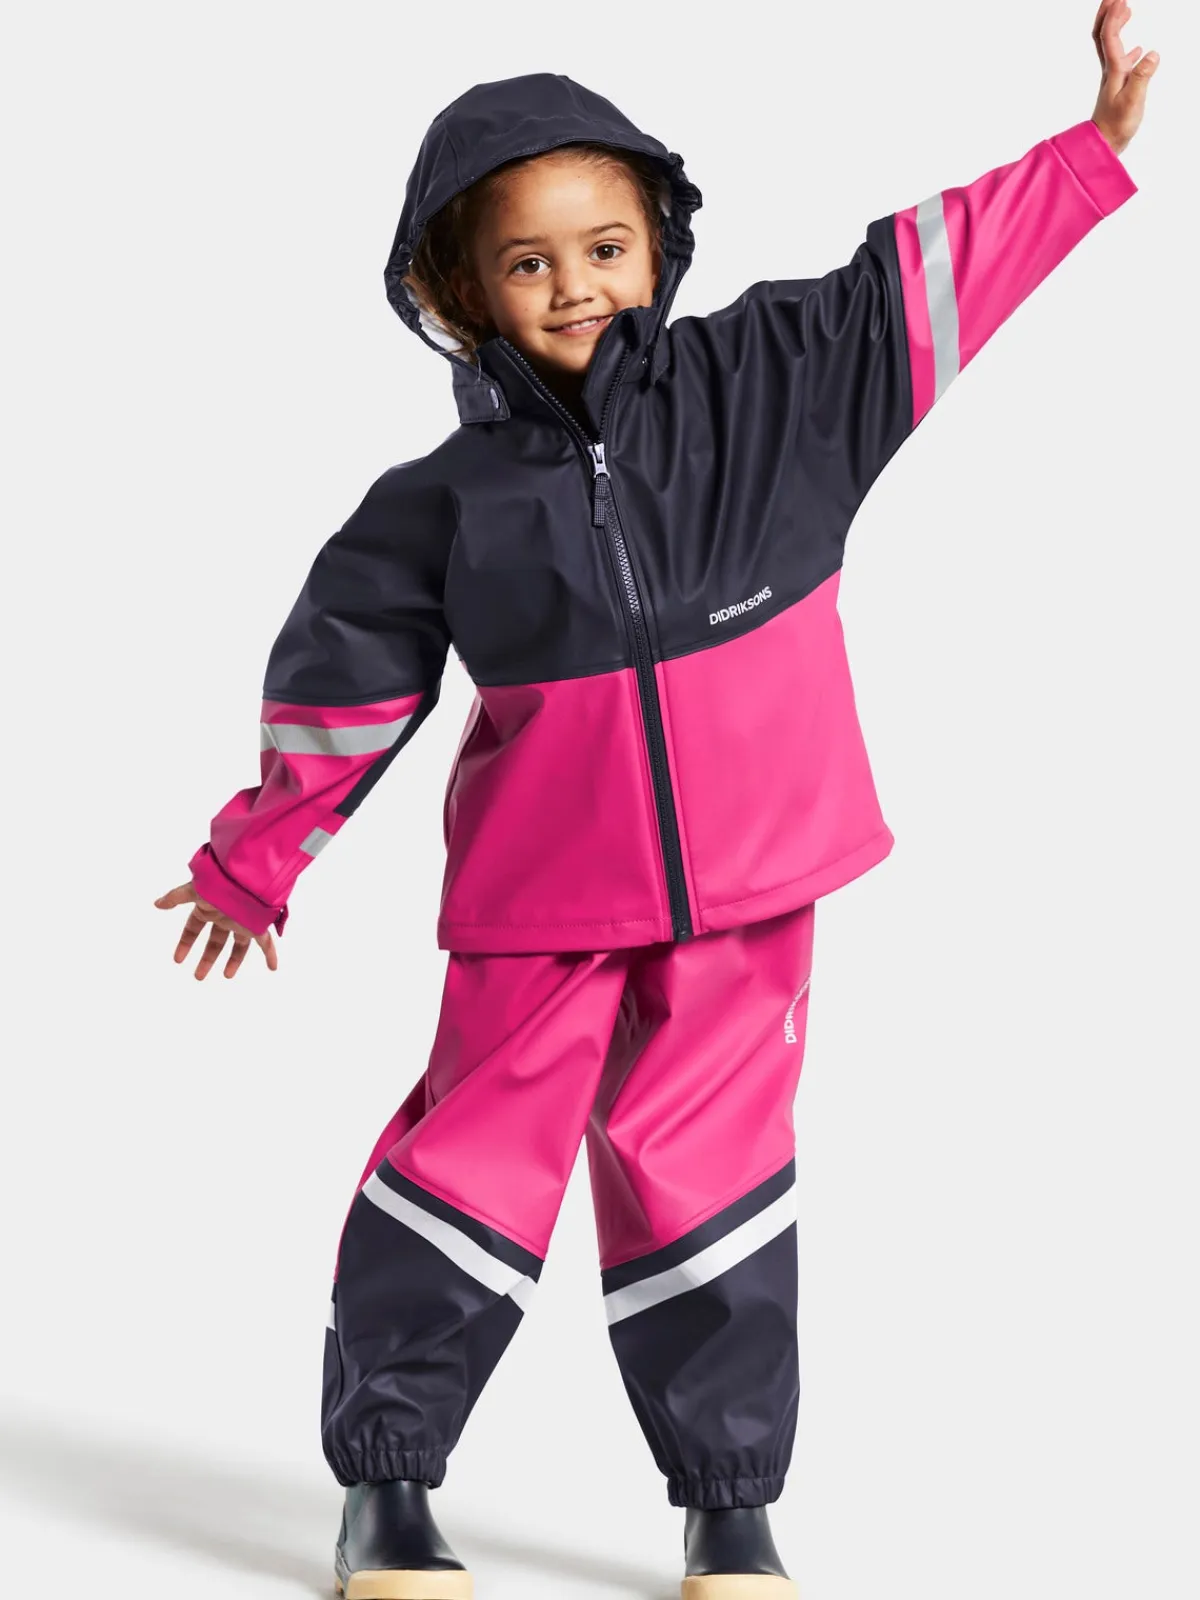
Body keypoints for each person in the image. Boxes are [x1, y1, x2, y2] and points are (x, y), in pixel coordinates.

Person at [154, 8, 1157, 1598]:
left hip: (750, 887)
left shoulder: (777, 390)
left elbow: (921, 277)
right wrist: (255, 859)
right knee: (465, 1172)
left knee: (716, 1183)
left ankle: (729, 1505)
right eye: (528, 264)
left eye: (605, 248)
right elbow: (344, 679)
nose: (576, 288)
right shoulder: (444, 504)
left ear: (659, 245)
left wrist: (1087, 153)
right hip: (540, 901)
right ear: (458, 293)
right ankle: (388, 1484)